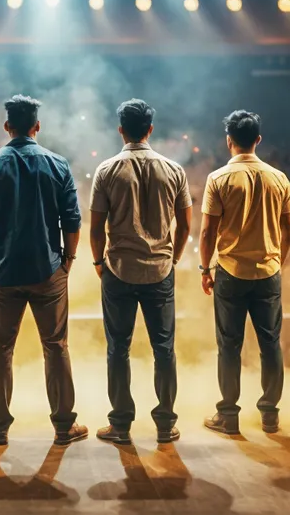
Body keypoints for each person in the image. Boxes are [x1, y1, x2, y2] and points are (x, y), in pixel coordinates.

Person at [0, 94, 87, 446]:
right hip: (48, 272)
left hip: (3, 274)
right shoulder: (57, 165)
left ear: (7, 126)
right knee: (56, 347)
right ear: (37, 126)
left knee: (1, 349)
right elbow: (72, 221)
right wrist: (67, 261)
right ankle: (64, 426)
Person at [89, 99, 192, 445]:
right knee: (164, 348)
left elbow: (95, 227)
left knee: (118, 348)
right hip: (160, 271)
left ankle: (120, 424)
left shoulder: (107, 170)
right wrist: (174, 258)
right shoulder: (174, 170)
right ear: (150, 129)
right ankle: (165, 423)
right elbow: (186, 224)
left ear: (120, 130)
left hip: (118, 270)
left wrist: (98, 263)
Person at [198, 110, 290, 436]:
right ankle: (270, 415)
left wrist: (204, 268)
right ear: (257, 140)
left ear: (229, 141)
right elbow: (289, 231)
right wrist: (279, 262)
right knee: (271, 344)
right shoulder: (279, 178)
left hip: (230, 271)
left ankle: (228, 415)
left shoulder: (218, 179)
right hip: (268, 271)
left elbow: (207, 232)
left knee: (229, 346)